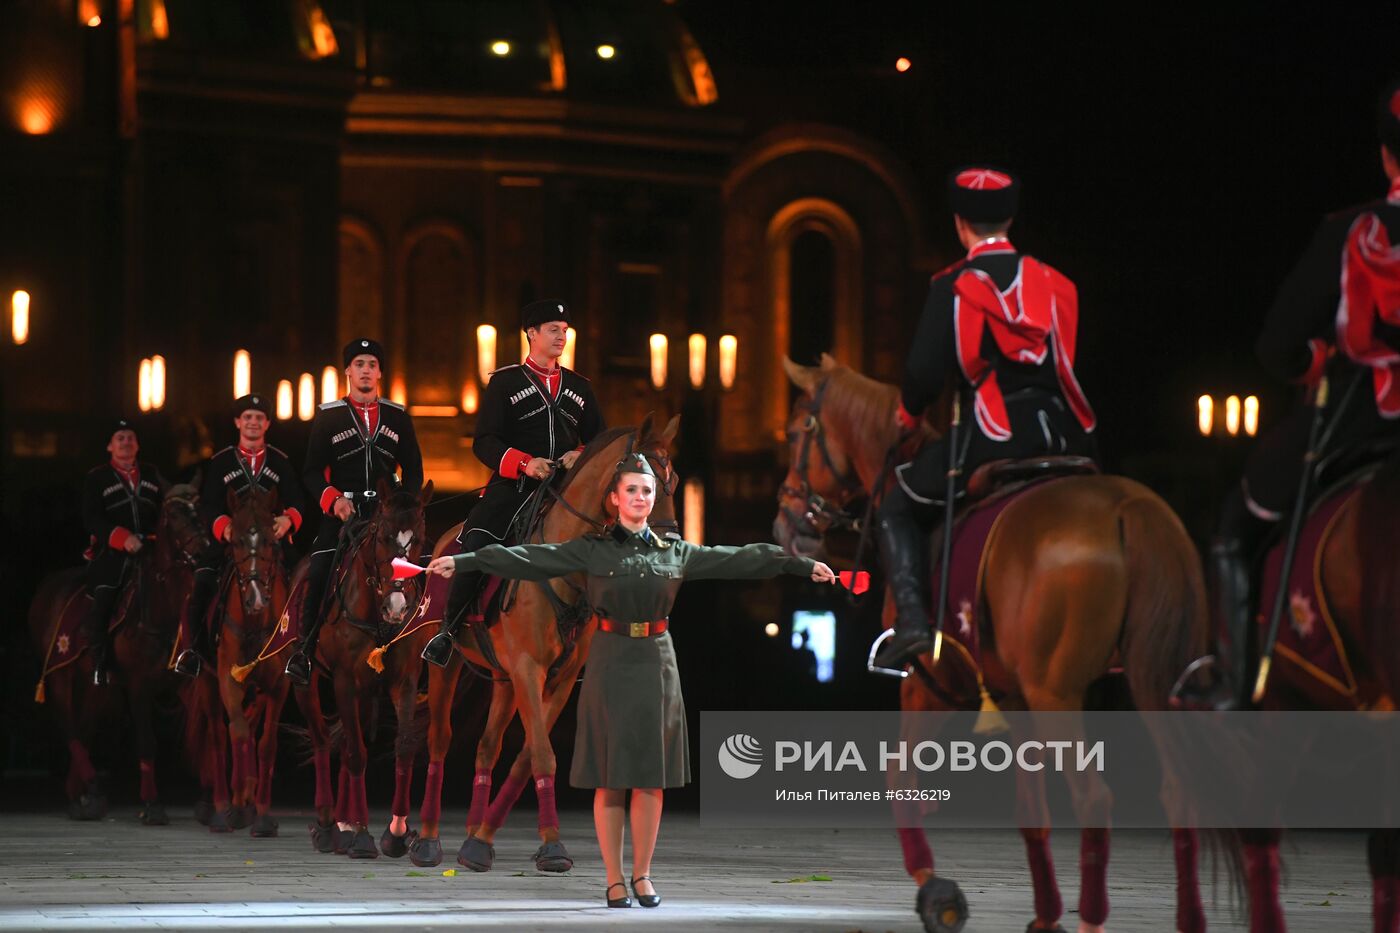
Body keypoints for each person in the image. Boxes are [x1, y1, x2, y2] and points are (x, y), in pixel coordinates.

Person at [426, 454, 836, 908]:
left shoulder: (675, 552)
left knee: (651, 779)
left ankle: (643, 875)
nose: (640, 498)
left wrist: (799, 565)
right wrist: (465, 562)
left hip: (658, 663)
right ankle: (614, 879)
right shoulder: (592, 550)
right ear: (613, 499)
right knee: (611, 777)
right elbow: (530, 557)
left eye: (647, 491)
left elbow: (739, 559)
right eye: (632, 491)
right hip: (608, 660)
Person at [1207, 80, 1400, 701]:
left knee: (1236, 530)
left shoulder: (1349, 230)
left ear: (1386, 156)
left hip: (1356, 421)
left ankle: (1233, 686)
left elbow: (1277, 347)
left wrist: (1314, 357)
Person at [872, 166, 1099, 670]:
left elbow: (925, 373)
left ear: (960, 224)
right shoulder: (1055, 282)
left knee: (895, 509)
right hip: (1065, 433)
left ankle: (912, 625)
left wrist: (909, 416)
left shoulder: (952, 286)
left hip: (996, 434)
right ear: (1011, 218)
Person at [421, 299, 604, 667]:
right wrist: (524, 463)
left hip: (566, 491)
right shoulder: (505, 383)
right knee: (478, 542)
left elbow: (599, 440)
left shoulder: (580, 388)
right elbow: (484, 441)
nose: (561, 337)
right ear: (532, 334)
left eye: (565, 331)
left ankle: (601, 643)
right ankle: (449, 631)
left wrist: (580, 453)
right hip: (516, 488)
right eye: (553, 330)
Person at [283, 338, 424, 687]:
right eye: (359, 364)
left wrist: (403, 505)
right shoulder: (329, 416)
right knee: (318, 568)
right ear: (348, 370)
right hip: (343, 514)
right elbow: (312, 471)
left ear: (379, 372)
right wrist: (334, 500)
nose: (365, 370)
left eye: (372, 365)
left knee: (420, 564)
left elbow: (415, 469)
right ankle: (305, 649)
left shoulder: (396, 415)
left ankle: (423, 646)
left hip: (386, 515)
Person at [173, 394, 306, 677]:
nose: (253, 423)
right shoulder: (221, 462)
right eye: (247, 418)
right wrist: (224, 527)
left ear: (267, 423)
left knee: (303, 581)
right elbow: (209, 503)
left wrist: (288, 519)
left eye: (259, 418)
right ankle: (193, 653)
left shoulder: (280, 462)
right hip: (232, 544)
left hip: (271, 545)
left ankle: (301, 654)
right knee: (202, 582)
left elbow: (298, 501)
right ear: (237, 422)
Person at [80, 420, 167, 685]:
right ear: (110, 446)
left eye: (130, 437)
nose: (126, 442)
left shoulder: (153, 475)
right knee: (105, 594)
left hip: (151, 549)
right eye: (120, 438)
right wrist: (122, 538)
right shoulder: (97, 478)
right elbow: (91, 517)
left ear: (138, 444)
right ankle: (99, 661)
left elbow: (165, 511)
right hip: (113, 552)